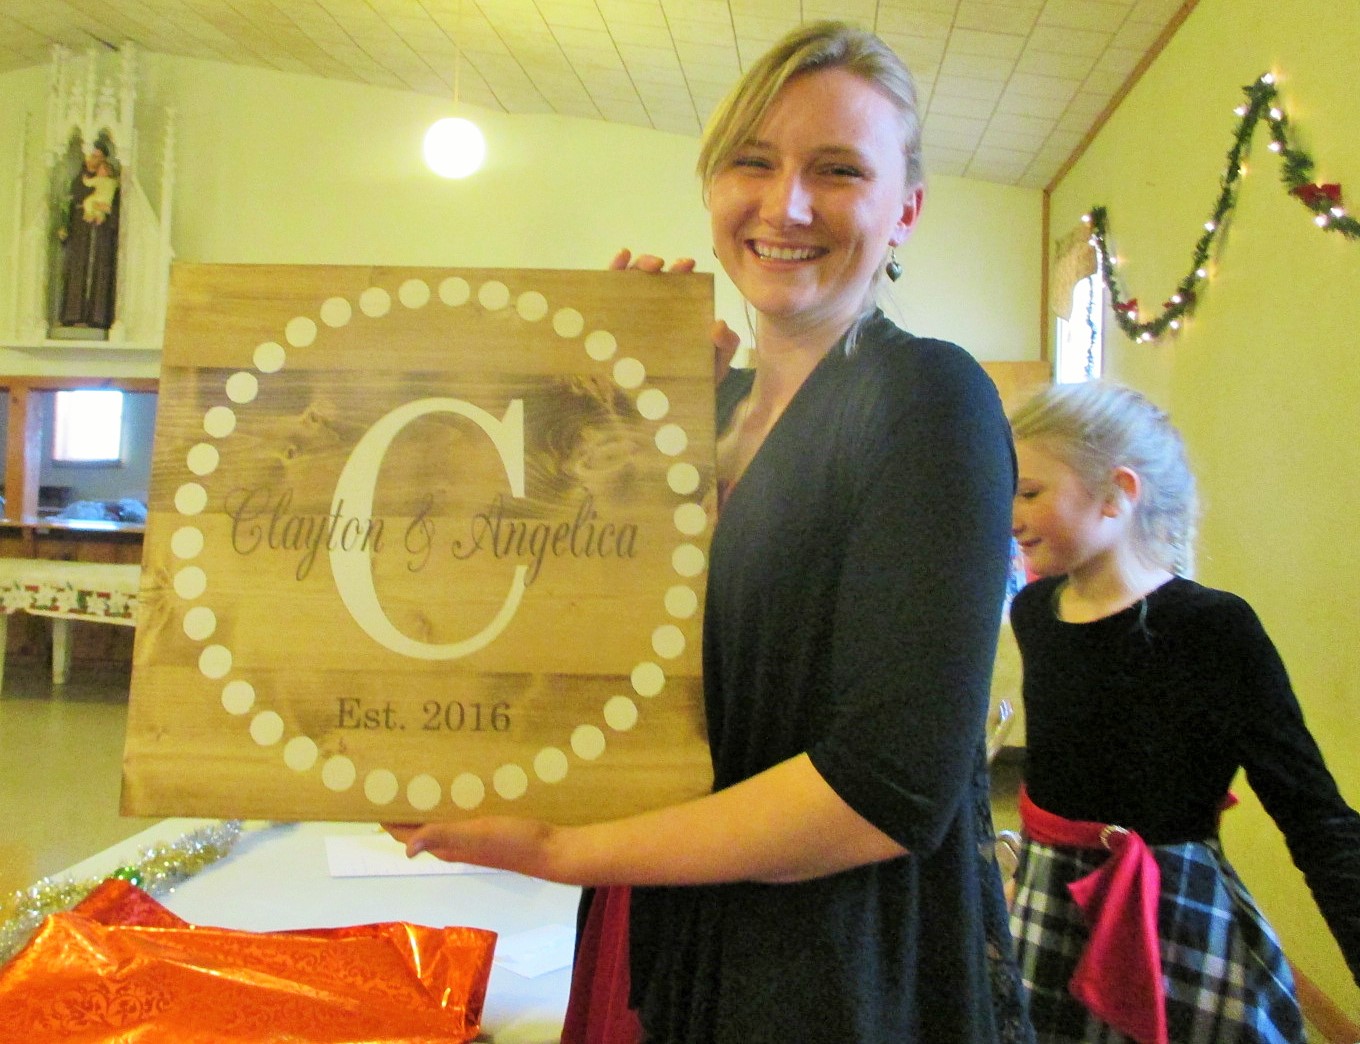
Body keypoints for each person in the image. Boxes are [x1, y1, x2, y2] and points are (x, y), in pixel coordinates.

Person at [388, 20, 1024, 1041]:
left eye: (838, 170)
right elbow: (568, 642)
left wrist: (557, 849)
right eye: (752, 162)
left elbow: (886, 789)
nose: (786, 204)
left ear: (905, 210)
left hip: (817, 969)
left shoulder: (926, 397)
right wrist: (612, 413)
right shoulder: (705, 407)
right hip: (656, 917)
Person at [1007, 380, 1360, 1043]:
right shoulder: (1035, 612)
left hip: (1174, 918)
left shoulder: (1214, 628)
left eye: (1029, 492)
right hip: (1050, 909)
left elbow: (1315, 817)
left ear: (1117, 493)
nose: (1011, 515)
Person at [56, 144, 120, 329]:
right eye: (92, 156)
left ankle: (97, 317)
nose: (94, 161)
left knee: (100, 271)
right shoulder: (80, 181)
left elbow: (117, 210)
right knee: (77, 270)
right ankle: (73, 314)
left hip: (101, 234)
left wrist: (107, 211)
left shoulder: (111, 184)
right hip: (80, 233)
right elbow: (68, 205)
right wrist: (65, 225)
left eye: (99, 157)